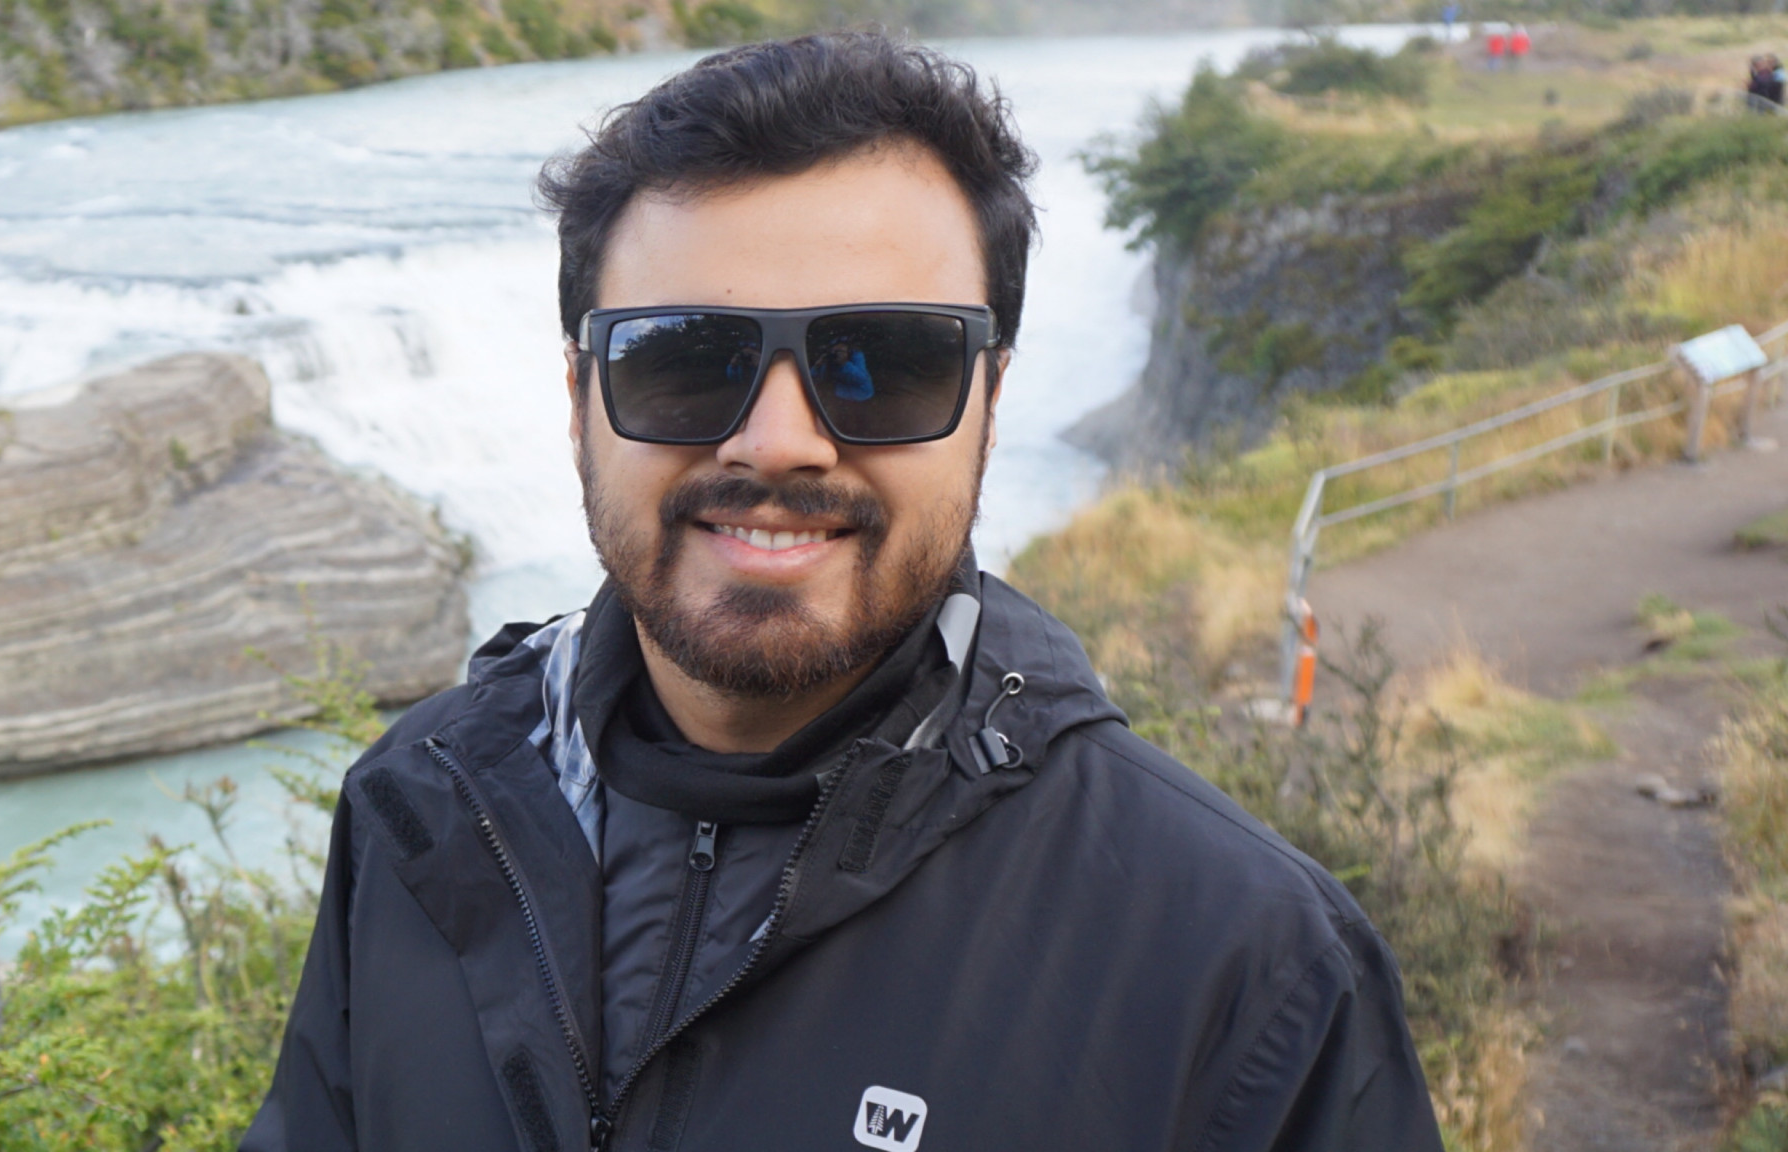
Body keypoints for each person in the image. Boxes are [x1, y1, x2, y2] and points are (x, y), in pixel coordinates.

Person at [241, 33, 1445, 1152]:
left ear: (988, 401)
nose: (779, 444)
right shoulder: (421, 810)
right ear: (578, 400)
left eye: (882, 364)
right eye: (685, 358)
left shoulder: (1244, 968)